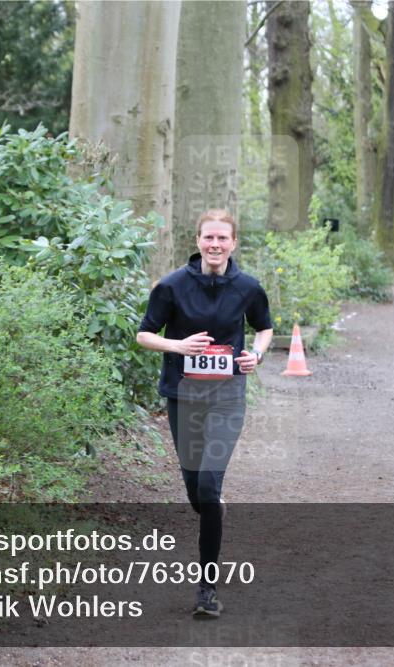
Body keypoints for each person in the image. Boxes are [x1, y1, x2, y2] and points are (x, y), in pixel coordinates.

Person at [136, 209, 273, 618]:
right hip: (183, 396)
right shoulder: (172, 286)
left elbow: (264, 327)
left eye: (222, 239)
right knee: (197, 491)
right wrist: (178, 347)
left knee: (210, 487)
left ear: (233, 243)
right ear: (197, 241)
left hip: (228, 396)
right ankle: (211, 506)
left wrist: (256, 354)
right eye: (208, 238)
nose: (215, 245)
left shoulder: (248, 287)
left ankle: (206, 589)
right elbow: (144, 334)